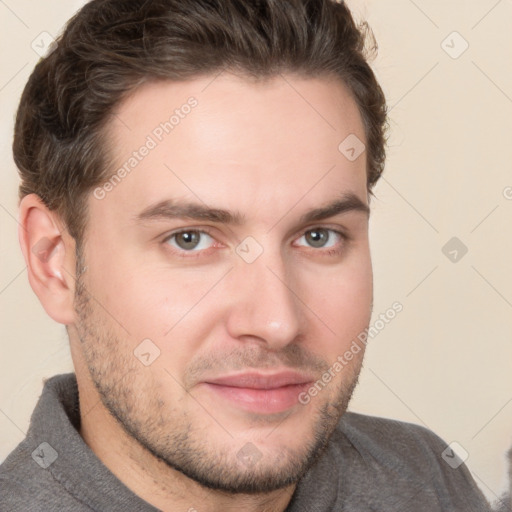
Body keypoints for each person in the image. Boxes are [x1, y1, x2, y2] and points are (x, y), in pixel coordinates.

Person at [0, 0, 491, 510]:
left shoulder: (426, 480)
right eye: (190, 238)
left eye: (319, 236)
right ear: (54, 264)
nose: (277, 323)